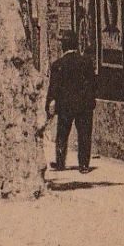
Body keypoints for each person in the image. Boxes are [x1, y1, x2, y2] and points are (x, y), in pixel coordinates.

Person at [46, 33, 97, 172]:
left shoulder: (58, 65)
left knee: (62, 134)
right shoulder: (86, 62)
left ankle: (60, 162)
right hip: (84, 106)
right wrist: (91, 100)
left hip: (65, 106)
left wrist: (49, 105)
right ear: (76, 45)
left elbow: (53, 88)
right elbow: (93, 84)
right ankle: (84, 165)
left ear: (63, 46)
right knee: (84, 135)